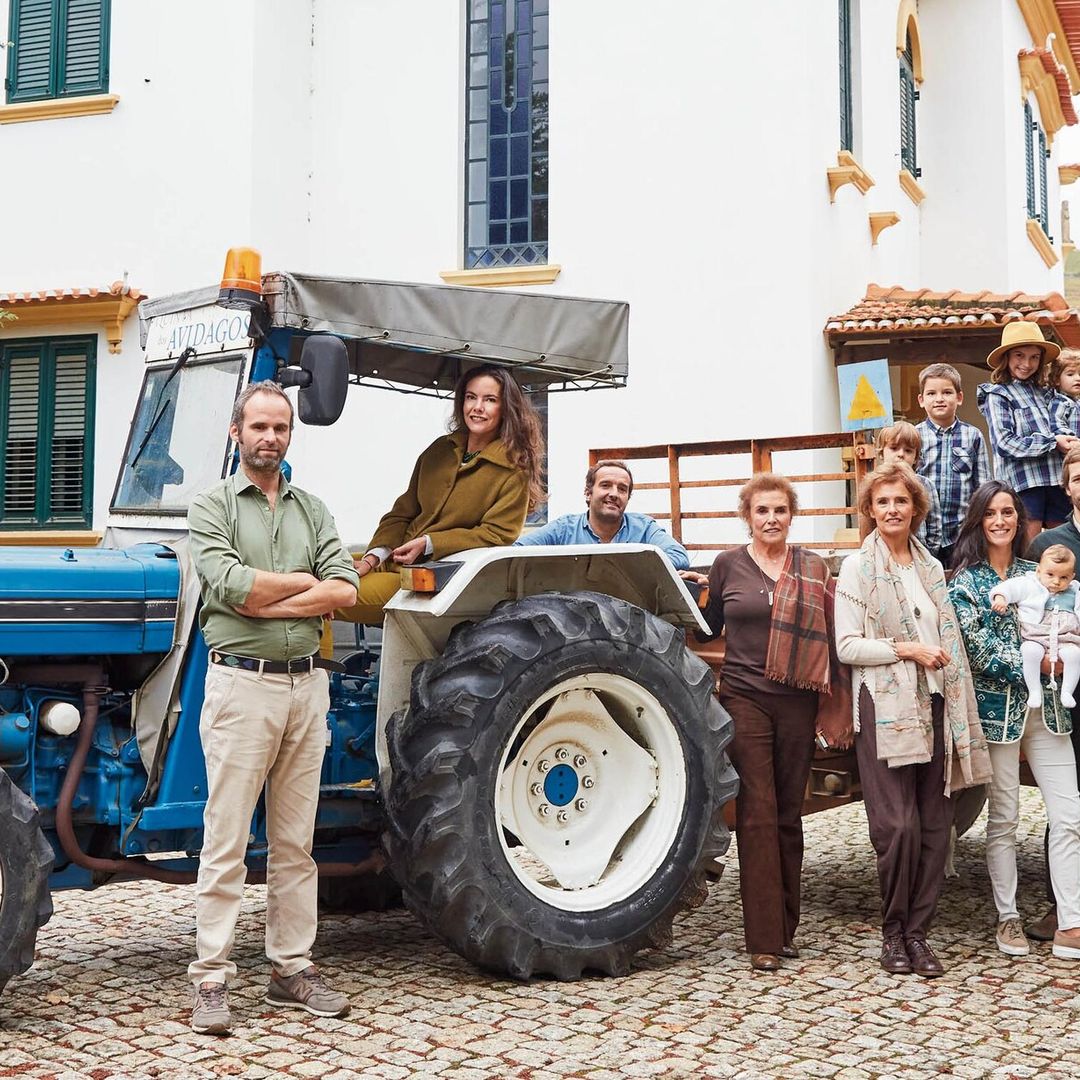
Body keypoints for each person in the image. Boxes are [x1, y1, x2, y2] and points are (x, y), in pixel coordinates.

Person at [186, 382, 360, 1034]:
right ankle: (210, 977)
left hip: (304, 688)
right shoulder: (212, 506)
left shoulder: (312, 509)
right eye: (259, 426)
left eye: (280, 427)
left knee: (295, 844)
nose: (270, 437)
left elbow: (343, 588)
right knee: (226, 840)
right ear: (237, 433)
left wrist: (271, 599)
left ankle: (292, 968)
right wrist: (305, 587)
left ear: (290, 434)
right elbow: (229, 586)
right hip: (242, 688)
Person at [835, 462, 991, 978]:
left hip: (938, 704)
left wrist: (932, 662)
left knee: (934, 824)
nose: (892, 510)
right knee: (896, 825)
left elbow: (949, 644)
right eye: (882, 503)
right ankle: (892, 931)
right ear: (870, 511)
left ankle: (918, 935)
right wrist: (908, 651)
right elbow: (848, 645)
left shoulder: (929, 567)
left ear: (916, 509)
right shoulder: (859, 568)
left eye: (901, 501)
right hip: (884, 706)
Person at [700, 473, 849, 972]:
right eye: (762, 511)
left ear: (791, 515)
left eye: (779, 510)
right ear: (748, 516)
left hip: (798, 699)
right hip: (744, 697)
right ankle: (763, 938)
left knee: (789, 811)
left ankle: (787, 927)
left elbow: (832, 631)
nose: (771, 519)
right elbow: (711, 626)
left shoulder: (812, 566)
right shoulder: (726, 565)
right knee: (757, 810)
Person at [949, 483, 1080, 961]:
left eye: (1008, 512)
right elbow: (977, 650)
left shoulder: (1040, 571)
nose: (1001, 520)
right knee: (1004, 817)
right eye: (991, 513)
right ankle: (1008, 917)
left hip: (1048, 711)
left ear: (1019, 519)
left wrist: (1064, 658)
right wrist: (1045, 663)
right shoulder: (965, 583)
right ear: (978, 521)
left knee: (1070, 815)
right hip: (998, 713)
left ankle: (1071, 921)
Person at [338, 364, 544, 624]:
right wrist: (371, 559)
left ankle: (312, 666)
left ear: (506, 408)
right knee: (310, 573)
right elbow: (402, 512)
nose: (477, 407)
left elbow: (497, 534)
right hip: (390, 560)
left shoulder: (513, 469)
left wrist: (429, 542)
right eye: (471, 397)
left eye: (489, 400)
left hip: (428, 582)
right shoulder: (439, 450)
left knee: (323, 597)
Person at [1023, 445, 1080, 942]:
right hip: (1065, 687)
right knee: (1065, 802)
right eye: (1078, 476)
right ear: (1067, 486)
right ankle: (1061, 904)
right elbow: (1033, 611)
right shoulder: (1051, 542)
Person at [978, 323, 1077, 546]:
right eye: (1019, 355)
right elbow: (1005, 443)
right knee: (1029, 551)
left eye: (1034, 357)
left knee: (1063, 549)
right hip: (1025, 484)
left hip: (1057, 482)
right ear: (1006, 357)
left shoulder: (1050, 392)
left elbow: (1063, 424)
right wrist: (1053, 443)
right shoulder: (997, 394)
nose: (1026, 364)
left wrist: (1068, 440)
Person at [513, 459, 691, 570]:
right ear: (588, 493)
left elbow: (678, 556)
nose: (614, 494)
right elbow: (516, 551)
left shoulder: (644, 528)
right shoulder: (563, 529)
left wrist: (621, 567)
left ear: (628, 497)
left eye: (622, 489)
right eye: (605, 485)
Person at [914, 362, 991, 569]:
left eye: (947, 392)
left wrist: (979, 529)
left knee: (960, 582)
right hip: (923, 533)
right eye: (931, 394)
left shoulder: (973, 436)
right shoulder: (914, 437)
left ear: (959, 397)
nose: (939, 399)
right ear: (921, 400)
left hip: (961, 532)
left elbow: (982, 487)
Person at [990, 545, 1080, 709]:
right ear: (1038, 571)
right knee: (1029, 651)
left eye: (1064, 577)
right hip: (1036, 636)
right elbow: (1010, 587)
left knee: (1074, 655)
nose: (1056, 581)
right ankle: (1034, 691)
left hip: (1065, 639)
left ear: (1072, 576)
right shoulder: (1030, 584)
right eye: (1050, 574)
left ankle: (1067, 691)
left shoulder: (1075, 591)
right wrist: (1000, 598)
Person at [875, 421, 943, 558]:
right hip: (883, 557)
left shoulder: (925, 485)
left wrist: (927, 555)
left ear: (916, 457)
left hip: (921, 556)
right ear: (881, 453)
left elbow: (935, 526)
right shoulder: (875, 484)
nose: (901, 454)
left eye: (908, 450)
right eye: (894, 448)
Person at [1048, 347, 1080, 442]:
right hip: (1069, 450)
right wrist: (1073, 441)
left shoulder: (1077, 402)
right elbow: (1056, 425)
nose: (1077, 378)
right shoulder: (1060, 402)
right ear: (1057, 380)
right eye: (1070, 374)